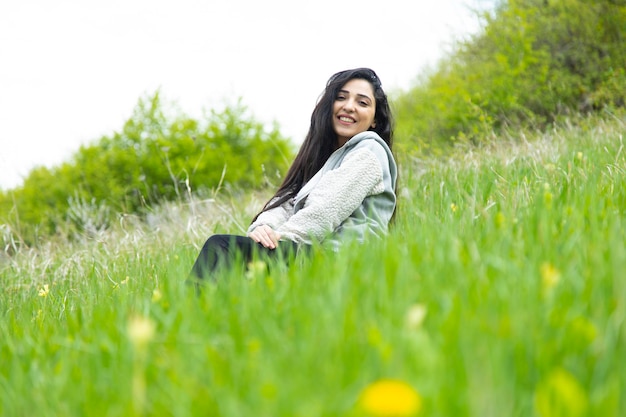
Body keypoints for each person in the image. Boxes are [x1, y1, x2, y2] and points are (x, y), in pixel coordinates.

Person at [189, 67, 397, 283]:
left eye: (362, 103)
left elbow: (326, 210)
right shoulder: (324, 160)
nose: (349, 106)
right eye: (341, 98)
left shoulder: (370, 151)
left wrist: (280, 238)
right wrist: (264, 228)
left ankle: (188, 314)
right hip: (316, 255)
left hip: (344, 263)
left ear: (375, 120)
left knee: (222, 248)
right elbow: (289, 201)